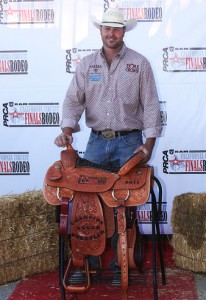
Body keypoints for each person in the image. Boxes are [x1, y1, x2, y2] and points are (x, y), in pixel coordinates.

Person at [54, 7, 162, 270]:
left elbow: (150, 105)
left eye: (116, 28)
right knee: (89, 204)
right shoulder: (87, 64)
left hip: (129, 142)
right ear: (100, 31)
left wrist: (148, 145)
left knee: (125, 205)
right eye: (106, 28)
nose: (111, 33)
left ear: (124, 31)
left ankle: (121, 263)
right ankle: (88, 261)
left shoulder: (139, 63)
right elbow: (72, 100)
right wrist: (67, 128)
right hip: (97, 141)